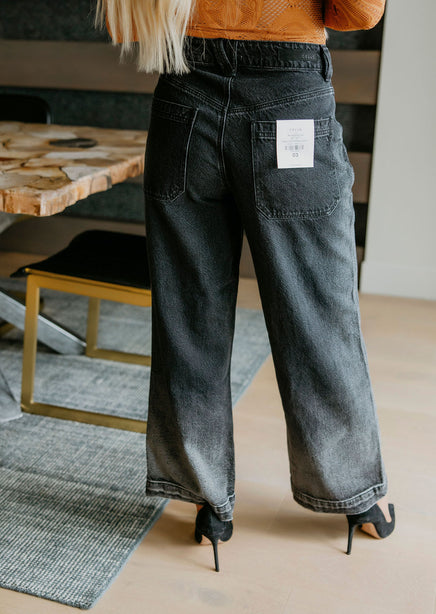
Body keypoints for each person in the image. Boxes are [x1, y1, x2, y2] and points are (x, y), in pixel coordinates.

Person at [98, 0, 395, 572]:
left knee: (189, 312)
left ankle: (206, 498)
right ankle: (352, 491)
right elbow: (357, 12)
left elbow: (122, 20)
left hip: (185, 96)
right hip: (289, 96)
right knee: (317, 310)